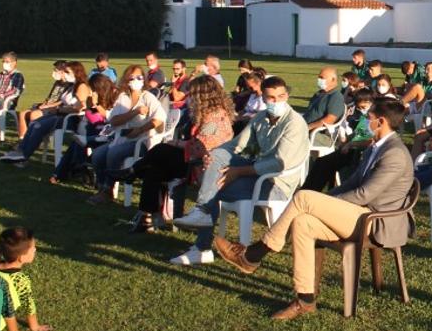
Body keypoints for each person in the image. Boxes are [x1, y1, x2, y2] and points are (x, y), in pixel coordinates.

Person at [210, 98, 415, 320]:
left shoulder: (394, 153)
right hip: (360, 213)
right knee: (303, 222)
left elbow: (364, 194)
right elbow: (351, 183)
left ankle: (255, 253)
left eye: (370, 117)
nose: (366, 121)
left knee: (304, 197)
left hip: (375, 221)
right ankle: (305, 300)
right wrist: (325, 201)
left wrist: (323, 202)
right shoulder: (376, 146)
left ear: (381, 121)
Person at [171, 75, 310, 266]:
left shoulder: (294, 123)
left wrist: (238, 172)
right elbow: (238, 145)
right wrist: (214, 156)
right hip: (256, 173)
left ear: (286, 95)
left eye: (280, 96)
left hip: (276, 183)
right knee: (217, 160)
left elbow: (279, 164)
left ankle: (201, 246)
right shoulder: (261, 117)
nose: (276, 101)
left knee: (213, 186)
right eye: (270, 97)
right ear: (262, 97)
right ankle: (202, 224)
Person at [122, 76, 235, 234]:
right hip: (193, 160)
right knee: (154, 169)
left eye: (193, 93)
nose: (190, 97)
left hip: (204, 166)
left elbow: (201, 147)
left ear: (203, 95)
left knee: (162, 150)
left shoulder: (214, 116)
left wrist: (176, 143)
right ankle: (146, 216)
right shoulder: (207, 113)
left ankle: (133, 173)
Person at [85, 65, 168, 204]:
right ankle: (101, 187)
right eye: (132, 77)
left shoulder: (148, 97)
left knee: (113, 153)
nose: (136, 80)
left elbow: (159, 119)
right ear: (127, 79)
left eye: (139, 77)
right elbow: (114, 120)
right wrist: (134, 112)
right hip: (122, 137)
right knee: (98, 155)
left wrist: (140, 129)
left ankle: (108, 189)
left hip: (141, 141)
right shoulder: (123, 97)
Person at [0, 62, 92, 164]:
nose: (64, 74)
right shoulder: (72, 86)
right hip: (60, 115)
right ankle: (20, 151)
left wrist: (58, 110)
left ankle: (24, 155)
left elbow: (80, 108)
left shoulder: (82, 87)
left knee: (38, 125)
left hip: (70, 119)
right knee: (34, 123)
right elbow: (64, 102)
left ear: (76, 73)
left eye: (67, 72)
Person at [0, 227, 51, 331]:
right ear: (21, 258)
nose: (35, 250)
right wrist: (35, 326)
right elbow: (28, 304)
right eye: (33, 248)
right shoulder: (20, 279)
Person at [302, 66, 346, 146]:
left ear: (333, 80)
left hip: (318, 134)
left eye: (322, 78)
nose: (319, 80)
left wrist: (307, 127)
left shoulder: (336, 97)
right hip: (305, 129)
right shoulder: (319, 94)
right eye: (319, 78)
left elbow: (330, 120)